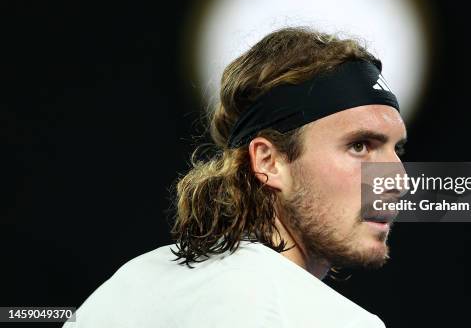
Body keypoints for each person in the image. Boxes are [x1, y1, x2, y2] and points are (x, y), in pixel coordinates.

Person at [66, 27, 407, 327]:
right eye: (359, 146)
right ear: (269, 161)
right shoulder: (336, 322)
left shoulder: (126, 289)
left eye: (397, 151)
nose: (398, 180)